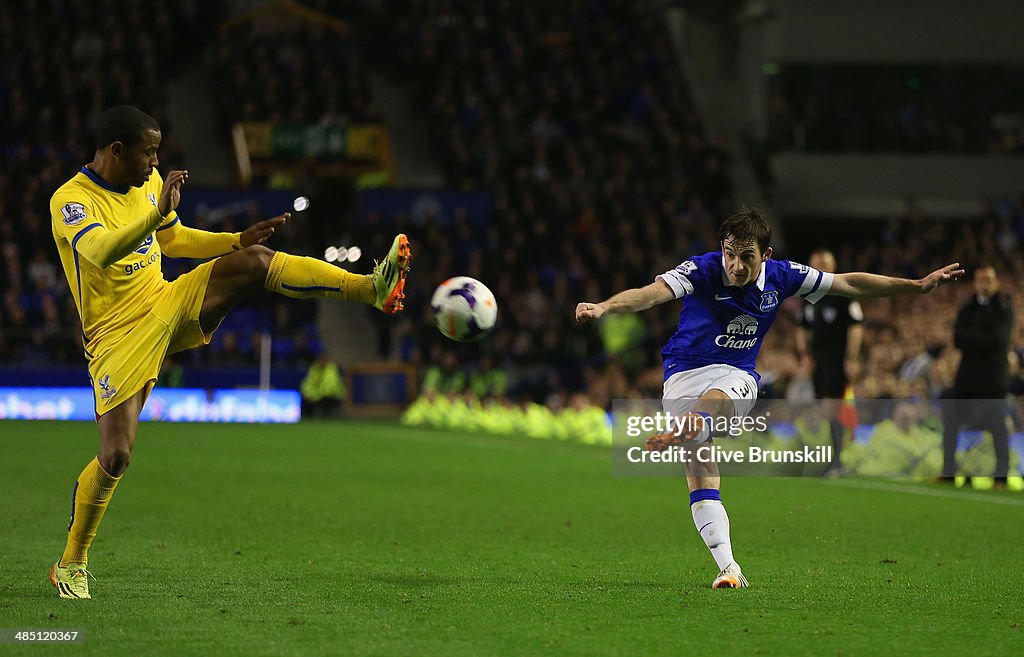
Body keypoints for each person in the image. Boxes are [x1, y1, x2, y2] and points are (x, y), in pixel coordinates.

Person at [47, 106, 412, 599]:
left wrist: (234, 239)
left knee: (253, 261)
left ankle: (371, 286)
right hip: (116, 335)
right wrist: (154, 216)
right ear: (116, 151)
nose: (155, 161)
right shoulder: (70, 200)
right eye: (148, 151)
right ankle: (72, 561)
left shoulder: (150, 183)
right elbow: (102, 251)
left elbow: (171, 238)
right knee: (116, 455)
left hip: (165, 299)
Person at [575, 208, 962, 589]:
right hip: (682, 375)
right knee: (700, 470)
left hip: (737, 375)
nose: (736, 266)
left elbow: (849, 284)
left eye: (747, 256)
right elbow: (651, 295)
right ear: (721, 249)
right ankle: (728, 567)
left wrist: (915, 285)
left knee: (713, 401)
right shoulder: (702, 269)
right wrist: (605, 306)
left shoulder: (784, 276)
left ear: (766, 255)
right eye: (730, 254)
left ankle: (697, 423)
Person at [941, 266, 1013, 486]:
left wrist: (974, 338)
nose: (984, 284)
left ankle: (1001, 476)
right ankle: (948, 473)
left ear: (996, 283)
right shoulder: (967, 309)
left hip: (993, 378)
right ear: (974, 283)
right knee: (951, 421)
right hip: (968, 376)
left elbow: (999, 340)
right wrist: (983, 338)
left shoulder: (1004, 309)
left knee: (997, 427)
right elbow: (958, 340)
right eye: (981, 279)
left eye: (989, 280)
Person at [795, 248, 864, 468]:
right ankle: (831, 459)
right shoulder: (808, 297)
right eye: (817, 265)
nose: (820, 268)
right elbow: (802, 328)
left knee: (833, 407)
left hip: (837, 357)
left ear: (833, 267)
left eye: (825, 264)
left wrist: (852, 357)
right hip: (818, 360)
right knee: (823, 407)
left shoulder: (843, 294)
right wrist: (804, 355)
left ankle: (836, 461)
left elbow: (856, 326)